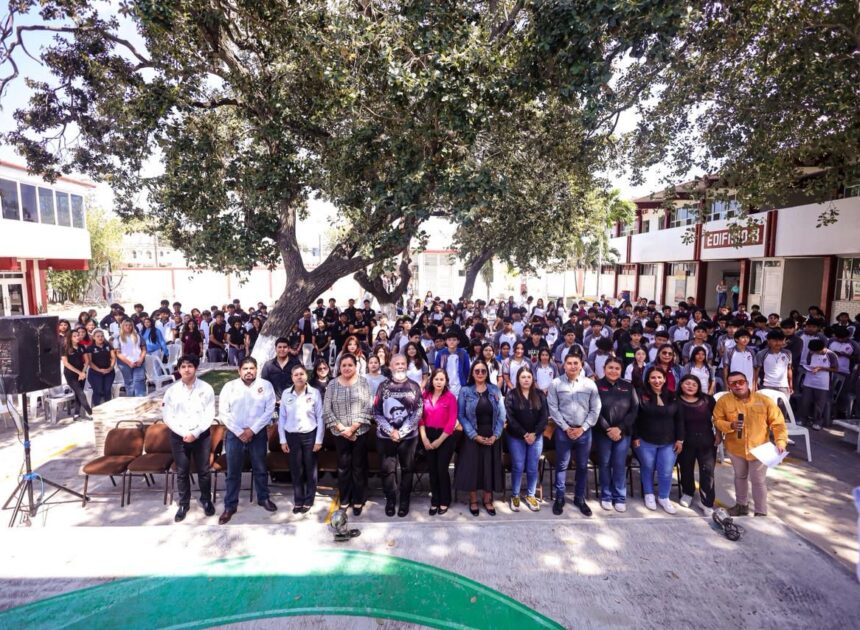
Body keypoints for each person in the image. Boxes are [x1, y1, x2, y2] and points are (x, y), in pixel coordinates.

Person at [713, 371, 788, 516]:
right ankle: (741, 506)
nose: (737, 385)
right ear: (729, 386)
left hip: (759, 448)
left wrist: (780, 442)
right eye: (733, 383)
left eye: (740, 382)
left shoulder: (764, 400)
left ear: (747, 383)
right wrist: (730, 425)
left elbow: (778, 423)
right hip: (736, 447)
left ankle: (761, 512)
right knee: (740, 477)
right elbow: (717, 421)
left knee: (758, 481)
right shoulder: (724, 401)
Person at [218, 357, 277, 524]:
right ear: (239, 371)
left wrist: (252, 430)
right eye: (245, 368)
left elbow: (269, 410)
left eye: (252, 368)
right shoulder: (230, 387)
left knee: (260, 468)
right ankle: (230, 505)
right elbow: (224, 411)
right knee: (233, 472)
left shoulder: (265, 386)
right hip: (234, 435)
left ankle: (263, 498)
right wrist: (239, 431)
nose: (249, 371)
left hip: (257, 434)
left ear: (256, 370)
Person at [161, 355, 216, 522]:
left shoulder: (206, 388)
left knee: (204, 471)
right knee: (182, 472)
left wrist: (196, 433)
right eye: (183, 366)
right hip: (179, 437)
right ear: (179, 370)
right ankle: (184, 504)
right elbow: (167, 416)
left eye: (190, 366)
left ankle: (206, 500)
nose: (186, 369)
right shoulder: (171, 391)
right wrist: (183, 432)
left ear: (196, 368)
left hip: (201, 436)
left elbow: (209, 414)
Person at [547, 353, 601, 517]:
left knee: (583, 466)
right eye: (569, 363)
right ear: (563, 365)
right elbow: (553, 408)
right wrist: (565, 428)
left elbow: (595, 409)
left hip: (584, 432)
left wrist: (582, 428)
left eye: (575, 363)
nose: (572, 366)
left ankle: (579, 498)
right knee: (562, 465)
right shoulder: (556, 383)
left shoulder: (590, 384)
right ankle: (560, 498)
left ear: (581, 365)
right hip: (564, 432)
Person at [323, 353, 374, 516]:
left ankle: (358, 499)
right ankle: (345, 499)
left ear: (355, 366)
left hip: (359, 432)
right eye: (343, 365)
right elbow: (326, 409)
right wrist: (341, 428)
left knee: (358, 467)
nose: (346, 368)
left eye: (350, 365)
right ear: (339, 367)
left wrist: (353, 428)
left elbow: (368, 406)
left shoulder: (363, 382)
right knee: (343, 467)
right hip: (339, 433)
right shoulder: (332, 384)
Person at [373, 354, 423, 518]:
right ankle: (391, 500)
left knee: (407, 469)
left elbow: (418, 412)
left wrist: (401, 432)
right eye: (397, 364)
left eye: (403, 363)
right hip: (386, 437)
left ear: (406, 366)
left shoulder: (414, 386)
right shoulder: (383, 386)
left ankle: (404, 502)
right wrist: (391, 431)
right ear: (391, 366)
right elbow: (376, 412)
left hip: (408, 438)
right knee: (388, 471)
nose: (400, 366)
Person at [455, 360, 506, 516]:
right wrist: (474, 435)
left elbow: (502, 414)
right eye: (477, 371)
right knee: (473, 468)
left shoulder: (494, 390)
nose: (480, 374)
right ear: (472, 373)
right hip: (472, 435)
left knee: (489, 468)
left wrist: (496, 435)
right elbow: (461, 415)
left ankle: (487, 499)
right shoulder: (465, 391)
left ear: (487, 373)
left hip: (491, 434)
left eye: (483, 371)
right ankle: (473, 500)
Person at [633, 367, 684, 514]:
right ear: (648, 379)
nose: (657, 381)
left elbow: (679, 420)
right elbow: (634, 418)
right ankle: (648, 494)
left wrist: (680, 439)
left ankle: (663, 497)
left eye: (659, 377)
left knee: (666, 471)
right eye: (653, 378)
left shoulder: (674, 396)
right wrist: (635, 437)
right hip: (645, 440)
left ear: (664, 379)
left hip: (669, 441)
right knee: (647, 467)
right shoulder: (640, 395)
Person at [278, 364, 324, 514]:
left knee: (310, 469)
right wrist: (282, 440)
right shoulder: (286, 394)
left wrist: (319, 440)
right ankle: (299, 499)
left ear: (306, 376)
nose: (299, 377)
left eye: (301, 374)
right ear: (292, 377)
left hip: (310, 435)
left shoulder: (314, 393)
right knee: (296, 469)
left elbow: (320, 417)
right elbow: (282, 418)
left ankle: (309, 499)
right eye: (296, 374)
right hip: (292, 437)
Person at [594, 357, 639, 512]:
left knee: (619, 464)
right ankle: (606, 496)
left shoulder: (628, 386)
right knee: (605, 464)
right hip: (602, 432)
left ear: (621, 370)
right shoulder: (596, 386)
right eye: (610, 367)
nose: (613, 371)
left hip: (623, 433)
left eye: (617, 368)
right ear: (604, 368)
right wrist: (607, 428)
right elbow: (593, 409)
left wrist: (619, 428)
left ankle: (619, 497)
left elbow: (634, 409)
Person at [504, 366, 548, 512]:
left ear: (532, 379)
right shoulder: (511, 395)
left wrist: (534, 434)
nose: (526, 380)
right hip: (516, 436)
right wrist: (524, 434)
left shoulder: (540, 394)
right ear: (518, 379)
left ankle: (531, 495)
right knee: (518, 465)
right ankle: (515, 495)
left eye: (528, 377)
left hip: (536, 437)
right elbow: (510, 417)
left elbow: (544, 417)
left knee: (532, 466)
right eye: (523, 377)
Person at [677, 374, 718, 517]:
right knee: (686, 469)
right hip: (685, 442)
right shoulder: (676, 401)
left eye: (694, 384)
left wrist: (719, 434)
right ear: (681, 384)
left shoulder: (708, 400)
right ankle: (688, 493)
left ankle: (706, 502)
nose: (690, 387)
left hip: (707, 441)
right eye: (687, 383)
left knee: (707, 472)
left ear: (699, 387)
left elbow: (718, 418)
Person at [419, 368, 458, 516]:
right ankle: (435, 500)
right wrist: (424, 438)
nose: (439, 382)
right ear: (432, 380)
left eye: (442, 379)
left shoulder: (450, 397)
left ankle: (444, 500)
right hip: (427, 434)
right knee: (433, 470)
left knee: (442, 469)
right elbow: (420, 418)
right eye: (436, 379)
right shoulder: (425, 395)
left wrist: (439, 441)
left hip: (445, 437)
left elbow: (451, 421)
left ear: (446, 381)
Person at [800, 339, 838, 430]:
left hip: (822, 382)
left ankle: (817, 421)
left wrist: (821, 368)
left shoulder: (831, 355)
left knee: (819, 403)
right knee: (805, 401)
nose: (812, 352)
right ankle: (803, 419)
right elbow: (809, 362)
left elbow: (835, 369)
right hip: (809, 380)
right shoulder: (811, 352)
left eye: (815, 351)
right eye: (811, 350)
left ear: (822, 348)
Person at [61, 329, 93, 420]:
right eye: (74, 336)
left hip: (81, 372)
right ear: (70, 338)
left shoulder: (82, 346)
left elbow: (87, 361)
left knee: (78, 394)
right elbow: (66, 363)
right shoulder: (65, 348)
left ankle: (76, 414)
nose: (77, 337)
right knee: (80, 393)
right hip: (70, 374)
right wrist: (79, 373)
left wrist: (83, 372)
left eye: (78, 335)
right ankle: (90, 412)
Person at [114, 319, 147, 397]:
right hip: (125, 363)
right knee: (129, 382)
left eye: (130, 325)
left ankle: (140, 398)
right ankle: (131, 399)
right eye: (126, 325)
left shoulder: (138, 336)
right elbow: (118, 353)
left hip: (138, 361)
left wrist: (141, 359)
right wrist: (129, 362)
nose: (128, 327)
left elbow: (144, 349)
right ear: (122, 326)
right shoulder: (118, 338)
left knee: (139, 380)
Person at [433, 330, 470, 398]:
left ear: (458, 341)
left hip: (460, 385)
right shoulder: (440, 354)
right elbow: (437, 369)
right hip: (444, 386)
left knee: (460, 407)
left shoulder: (463, 353)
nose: (452, 342)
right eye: (449, 340)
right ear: (446, 341)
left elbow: (466, 369)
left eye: (454, 340)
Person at [86, 329, 116, 407]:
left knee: (107, 390)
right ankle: (96, 407)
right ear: (94, 338)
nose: (100, 338)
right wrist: (99, 370)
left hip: (109, 372)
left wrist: (110, 368)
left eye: (102, 336)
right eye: (98, 336)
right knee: (98, 390)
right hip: (95, 373)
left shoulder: (108, 346)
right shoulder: (90, 348)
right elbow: (89, 362)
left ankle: (108, 407)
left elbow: (113, 358)